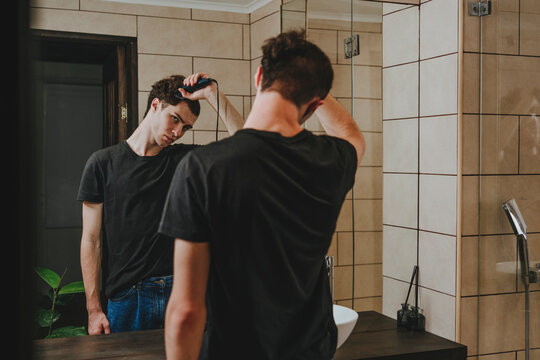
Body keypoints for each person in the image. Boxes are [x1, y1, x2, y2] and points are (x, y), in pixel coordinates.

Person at [158, 30, 365, 360]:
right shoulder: (332, 161)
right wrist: (316, 88)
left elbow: (185, 312)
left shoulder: (203, 168)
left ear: (259, 78)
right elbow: (351, 134)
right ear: (315, 104)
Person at [77, 73, 244, 335]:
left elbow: (248, 148)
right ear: (155, 105)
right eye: (175, 119)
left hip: (181, 293)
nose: (178, 133)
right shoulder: (102, 163)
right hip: (127, 299)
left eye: (186, 128)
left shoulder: (186, 160)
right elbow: (91, 240)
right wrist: (93, 309)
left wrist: (213, 94)